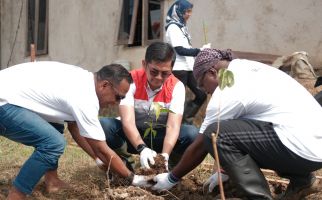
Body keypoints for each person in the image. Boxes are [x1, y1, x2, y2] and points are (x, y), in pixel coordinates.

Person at [151, 48, 322, 199]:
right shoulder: (244, 66)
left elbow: (200, 146)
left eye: (203, 85)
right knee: (235, 130)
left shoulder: (227, 92)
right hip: (313, 147)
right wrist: (225, 171)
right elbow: (246, 131)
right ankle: (302, 182)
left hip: (299, 147)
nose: (206, 92)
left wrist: (171, 179)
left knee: (215, 134)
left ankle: (258, 196)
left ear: (212, 72)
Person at [0, 61, 150, 200]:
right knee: (53, 143)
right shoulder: (85, 98)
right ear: (104, 85)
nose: (116, 103)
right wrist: (133, 178)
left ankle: (52, 182)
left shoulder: (84, 79)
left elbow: (74, 127)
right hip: (4, 101)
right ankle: (16, 196)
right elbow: (102, 149)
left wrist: (98, 160)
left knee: (56, 125)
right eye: (118, 97)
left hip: (8, 94)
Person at [99, 42, 198, 171]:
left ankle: (170, 167)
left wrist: (165, 155)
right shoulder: (130, 80)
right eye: (154, 71)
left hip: (160, 137)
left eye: (165, 73)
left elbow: (173, 126)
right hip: (132, 135)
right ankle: (125, 164)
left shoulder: (177, 87)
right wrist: (142, 148)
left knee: (191, 133)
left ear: (171, 70)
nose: (158, 78)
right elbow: (127, 121)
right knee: (105, 125)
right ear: (144, 64)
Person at [165, 0, 210, 124]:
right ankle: (176, 124)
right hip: (178, 69)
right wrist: (200, 50)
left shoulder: (182, 27)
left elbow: (187, 48)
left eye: (190, 11)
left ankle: (185, 119)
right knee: (178, 99)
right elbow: (180, 50)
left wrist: (201, 50)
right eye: (187, 11)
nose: (189, 14)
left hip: (188, 68)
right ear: (179, 11)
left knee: (201, 94)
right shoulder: (173, 27)